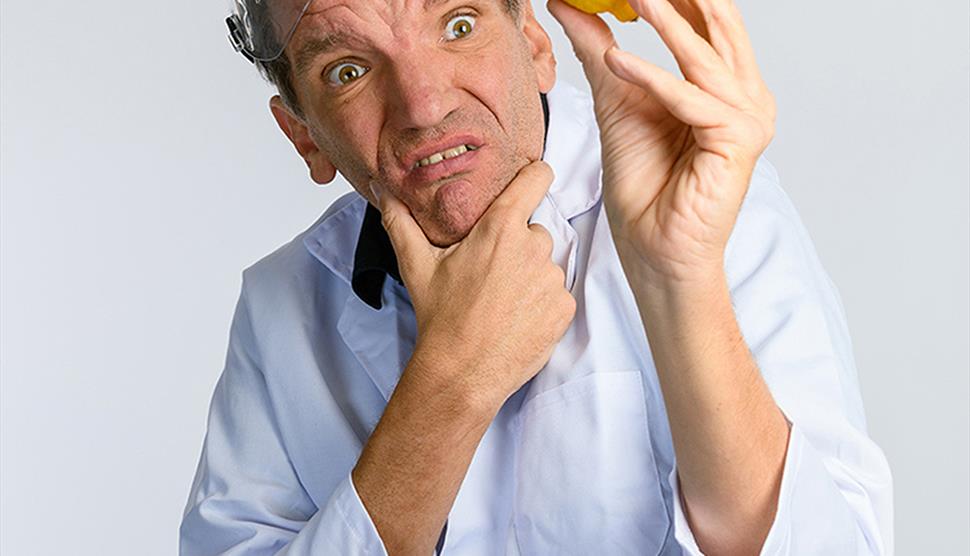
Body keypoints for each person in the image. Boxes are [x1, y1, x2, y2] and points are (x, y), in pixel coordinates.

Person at [180, 0, 894, 553]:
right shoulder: (281, 305)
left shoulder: (703, 195)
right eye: (348, 70)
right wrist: (450, 384)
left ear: (535, 46)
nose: (424, 106)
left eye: (457, 24)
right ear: (304, 136)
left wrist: (680, 281)